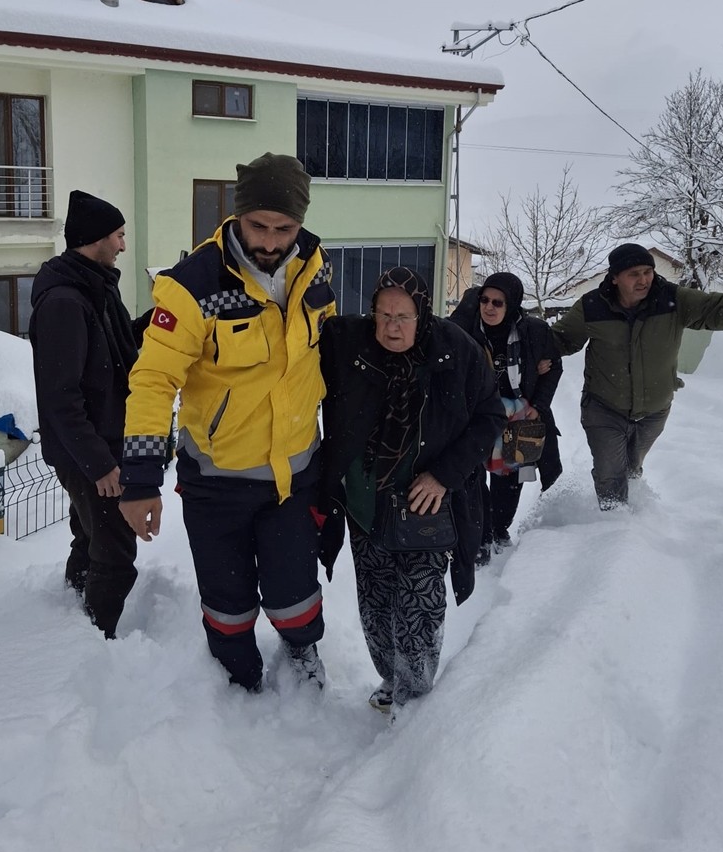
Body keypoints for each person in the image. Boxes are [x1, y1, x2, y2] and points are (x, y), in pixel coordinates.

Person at [119, 152, 336, 693]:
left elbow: (323, 352)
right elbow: (152, 380)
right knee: (228, 601)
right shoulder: (192, 285)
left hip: (296, 473)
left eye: (283, 228)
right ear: (237, 215)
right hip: (218, 483)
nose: (269, 240)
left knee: (295, 593)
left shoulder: (314, 268)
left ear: (300, 224)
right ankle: (239, 679)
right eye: (257, 225)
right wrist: (140, 481)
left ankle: (302, 648)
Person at [317, 267, 505, 716]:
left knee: (419, 607)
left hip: (427, 508)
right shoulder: (347, 343)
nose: (392, 327)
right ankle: (390, 677)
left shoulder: (456, 351)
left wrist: (444, 475)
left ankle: (415, 700)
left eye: (403, 316)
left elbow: (489, 417)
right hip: (366, 507)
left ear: (422, 314)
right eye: (383, 315)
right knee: (376, 606)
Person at [551, 242, 723, 510]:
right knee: (610, 471)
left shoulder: (672, 300)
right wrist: (529, 348)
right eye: (634, 274)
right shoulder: (591, 307)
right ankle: (613, 528)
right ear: (614, 278)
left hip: (654, 410)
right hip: (603, 407)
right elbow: (560, 340)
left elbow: (722, 309)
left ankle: (632, 515)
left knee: (632, 469)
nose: (644, 280)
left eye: (648, 272)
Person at [29, 189, 143, 639]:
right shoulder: (64, 303)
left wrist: (156, 321)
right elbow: (61, 396)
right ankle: (96, 638)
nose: (122, 245)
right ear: (96, 238)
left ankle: (72, 613)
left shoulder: (95, 286)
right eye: (118, 235)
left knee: (91, 534)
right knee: (115, 550)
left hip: (102, 442)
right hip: (90, 451)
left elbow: (115, 353)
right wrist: (100, 464)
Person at [450, 272, 563, 564]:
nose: (489, 307)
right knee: (474, 480)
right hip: (477, 418)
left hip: (519, 419)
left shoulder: (534, 331)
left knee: (509, 481)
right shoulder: (467, 330)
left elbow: (555, 366)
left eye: (497, 302)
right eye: (484, 300)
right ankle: (481, 538)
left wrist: (539, 404)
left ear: (510, 305)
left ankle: (500, 529)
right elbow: (446, 339)